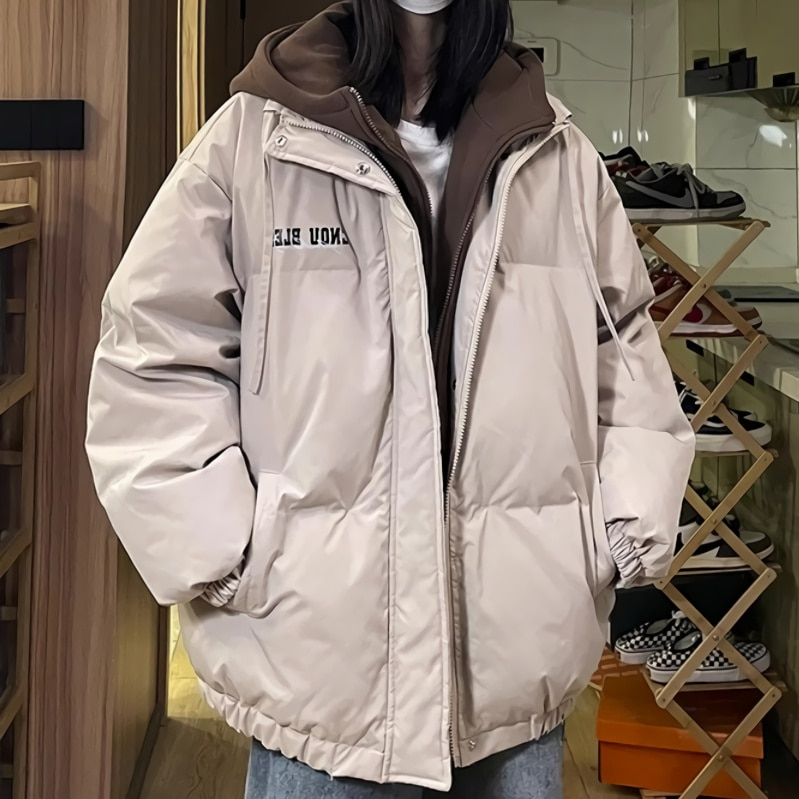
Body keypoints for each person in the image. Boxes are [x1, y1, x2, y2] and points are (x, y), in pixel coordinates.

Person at [85, 0, 695, 796]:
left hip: (516, 656)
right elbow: (152, 348)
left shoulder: (555, 152)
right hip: (319, 666)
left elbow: (623, 344)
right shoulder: (255, 138)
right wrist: (224, 549)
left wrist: (613, 531)